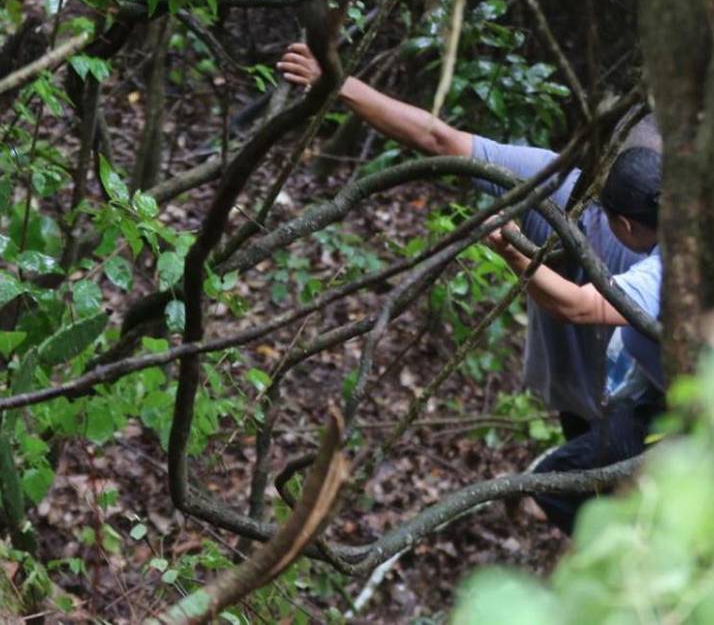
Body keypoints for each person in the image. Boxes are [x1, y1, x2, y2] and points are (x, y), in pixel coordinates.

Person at [276, 42, 658, 436]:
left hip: (636, 412)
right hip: (598, 404)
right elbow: (441, 142)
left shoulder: (560, 189)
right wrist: (339, 84)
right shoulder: (554, 188)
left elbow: (440, 139)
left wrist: (341, 85)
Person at [485, 146, 663, 535]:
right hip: (650, 393)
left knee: (556, 481)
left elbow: (581, 306)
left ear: (627, 226)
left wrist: (517, 257)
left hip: (676, 414)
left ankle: (613, 553)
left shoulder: (663, 272)